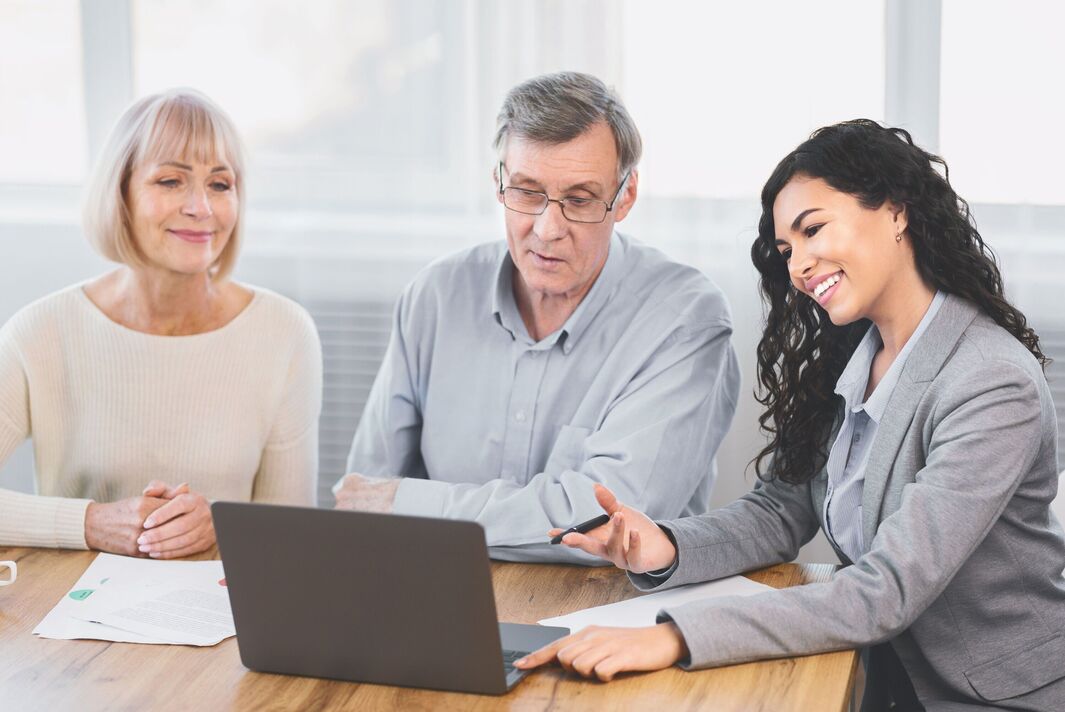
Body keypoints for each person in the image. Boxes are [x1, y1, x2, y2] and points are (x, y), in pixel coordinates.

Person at [515, 120, 1065, 710]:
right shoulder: (857, 354)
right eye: (786, 250)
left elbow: (887, 590)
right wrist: (667, 548)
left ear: (897, 211)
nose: (799, 265)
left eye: (813, 230)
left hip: (995, 695)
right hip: (875, 678)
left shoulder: (989, 380)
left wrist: (676, 636)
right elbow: (781, 512)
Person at [334, 72, 740, 562]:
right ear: (498, 182)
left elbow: (611, 525)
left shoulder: (684, 320)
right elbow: (362, 501)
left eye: (580, 199)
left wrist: (408, 504)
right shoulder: (436, 296)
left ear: (625, 196)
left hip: (610, 616)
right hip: (434, 599)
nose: (548, 230)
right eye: (527, 192)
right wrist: (389, 507)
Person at [0, 89, 322, 559]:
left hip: (217, 616)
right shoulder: (41, 331)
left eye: (219, 184)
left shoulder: (285, 333)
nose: (201, 208)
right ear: (120, 194)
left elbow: (292, 532)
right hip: (71, 613)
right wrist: (91, 522)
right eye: (171, 181)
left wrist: (222, 523)